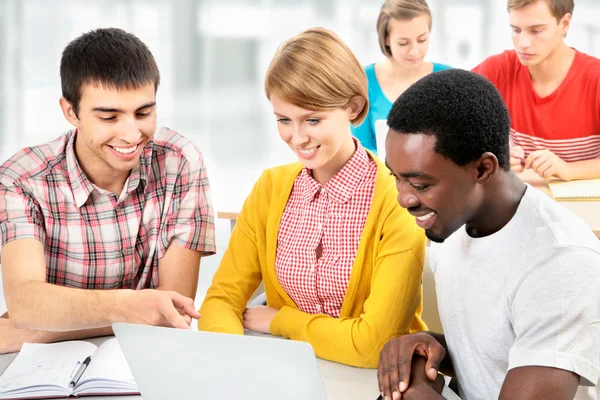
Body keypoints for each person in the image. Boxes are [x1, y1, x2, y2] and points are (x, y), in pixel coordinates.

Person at [198, 27, 427, 368]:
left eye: (313, 119)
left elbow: (372, 345)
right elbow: (221, 300)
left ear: (353, 107)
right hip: (287, 372)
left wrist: (282, 321)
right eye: (284, 120)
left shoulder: (396, 200)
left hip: (371, 381)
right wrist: (236, 366)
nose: (298, 137)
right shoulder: (270, 188)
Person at [378, 69, 600, 400]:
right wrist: (425, 350)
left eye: (420, 184)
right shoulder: (452, 222)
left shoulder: (560, 265)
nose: (404, 198)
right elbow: (495, 352)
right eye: (396, 177)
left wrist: (416, 393)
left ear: (483, 168)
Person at [0, 28, 216, 354]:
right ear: (70, 111)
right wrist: (128, 308)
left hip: (144, 355)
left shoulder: (180, 161)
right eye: (109, 116)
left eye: (143, 113)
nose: (131, 134)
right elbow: (26, 303)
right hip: (46, 365)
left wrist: (41, 327)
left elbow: (173, 310)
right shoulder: (21, 179)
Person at [473, 0, 600, 181]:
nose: (523, 43)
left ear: (564, 24)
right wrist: (493, 155)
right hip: (528, 198)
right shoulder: (498, 69)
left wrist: (568, 169)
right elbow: (447, 120)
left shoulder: (595, 78)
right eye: (516, 30)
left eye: (536, 31)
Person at [351, 0, 451, 155]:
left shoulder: (449, 78)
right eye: (403, 43)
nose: (414, 51)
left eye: (422, 39)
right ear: (386, 39)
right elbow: (360, 149)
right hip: (383, 177)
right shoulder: (363, 81)